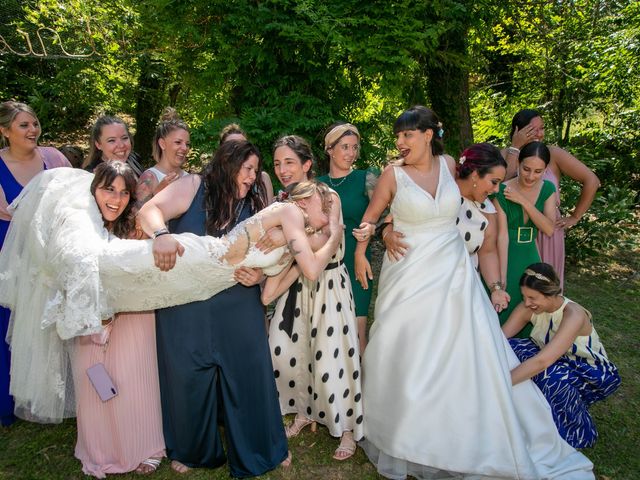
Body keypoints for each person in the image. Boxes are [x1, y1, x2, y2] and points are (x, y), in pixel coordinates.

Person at [354, 105, 594, 479]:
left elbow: (482, 189)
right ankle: (404, 432)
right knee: (405, 348)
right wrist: (375, 238)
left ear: (428, 135)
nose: (400, 142)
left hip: (452, 272)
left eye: (407, 135)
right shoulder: (392, 174)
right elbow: (378, 213)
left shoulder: (450, 165)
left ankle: (461, 426)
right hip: (409, 272)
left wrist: (513, 153)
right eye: (398, 136)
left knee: (460, 350)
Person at [266, 135, 363, 461]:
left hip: (329, 284)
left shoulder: (326, 195)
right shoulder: (284, 201)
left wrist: (294, 238)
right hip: (296, 287)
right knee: (288, 349)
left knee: (333, 356)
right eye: (278, 163)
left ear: (307, 164)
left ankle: (347, 428)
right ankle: (304, 411)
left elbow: (329, 237)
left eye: (289, 162)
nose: (282, 169)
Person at [72, 161, 165, 477]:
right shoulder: (77, 226)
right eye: (109, 189)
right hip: (89, 318)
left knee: (133, 380)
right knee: (93, 382)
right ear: (94, 189)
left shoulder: (137, 225)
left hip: (134, 314)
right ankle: (99, 448)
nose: (116, 198)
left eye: (124, 192)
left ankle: (146, 445)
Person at [377, 142, 511, 313]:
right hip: (423, 282)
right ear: (476, 175)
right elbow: (396, 218)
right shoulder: (442, 192)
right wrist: (387, 233)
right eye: (494, 182)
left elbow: (488, 252)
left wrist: (496, 289)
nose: (496, 189)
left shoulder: (488, 210)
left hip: (464, 289)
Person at [0, 100, 70, 426]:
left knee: (43, 321)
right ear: (4, 131)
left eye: (34, 124)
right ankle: (6, 398)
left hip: (46, 252)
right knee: (8, 322)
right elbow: (8, 211)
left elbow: (74, 197)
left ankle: (43, 394)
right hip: (8, 251)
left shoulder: (52, 158)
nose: (32, 130)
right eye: (23, 125)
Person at [503, 262, 621, 448]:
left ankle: (578, 431)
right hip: (553, 358)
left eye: (532, 297)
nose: (526, 303)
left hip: (588, 370)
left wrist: (501, 382)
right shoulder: (528, 308)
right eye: (524, 296)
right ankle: (528, 413)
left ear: (550, 293)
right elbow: (499, 339)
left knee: (550, 375)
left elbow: (543, 361)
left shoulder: (573, 314)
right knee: (510, 348)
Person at [503, 109, 600, 287]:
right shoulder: (505, 154)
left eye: (542, 128)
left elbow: (592, 181)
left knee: (545, 289)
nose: (539, 134)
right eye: (533, 130)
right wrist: (515, 148)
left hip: (547, 231)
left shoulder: (552, 155)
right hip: (514, 229)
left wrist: (575, 216)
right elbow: (503, 185)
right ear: (518, 130)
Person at [318, 123, 377, 353]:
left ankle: (363, 386)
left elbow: (381, 215)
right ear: (330, 149)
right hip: (327, 265)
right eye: (344, 147)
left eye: (354, 147)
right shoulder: (317, 184)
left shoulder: (367, 178)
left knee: (357, 331)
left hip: (357, 262)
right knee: (328, 331)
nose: (351, 153)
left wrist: (372, 228)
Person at [496, 141, 557, 336]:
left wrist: (523, 201)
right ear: (518, 164)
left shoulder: (547, 189)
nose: (531, 176)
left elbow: (548, 228)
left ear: (546, 169)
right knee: (506, 303)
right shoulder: (502, 190)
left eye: (538, 171)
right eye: (526, 169)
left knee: (532, 301)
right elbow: (502, 235)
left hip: (531, 254)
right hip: (506, 253)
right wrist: (502, 275)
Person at [135, 108, 190, 209]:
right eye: (178, 142)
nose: (184, 148)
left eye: (187, 144)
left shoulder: (190, 178)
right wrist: (157, 193)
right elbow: (135, 220)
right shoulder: (149, 178)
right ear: (162, 144)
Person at [220, 123, 274, 204]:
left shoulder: (262, 180)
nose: (239, 150)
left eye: (243, 145)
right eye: (232, 146)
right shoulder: (209, 182)